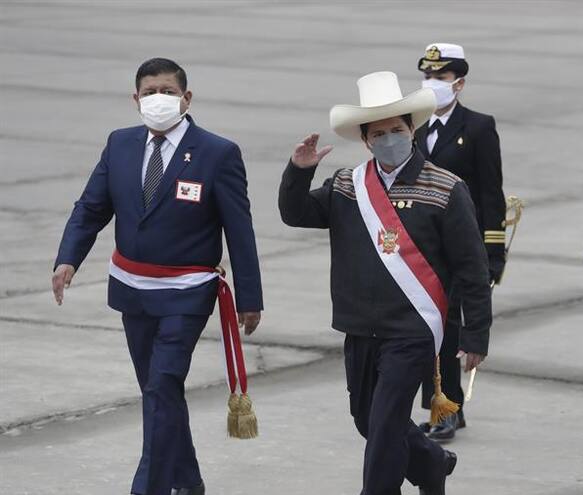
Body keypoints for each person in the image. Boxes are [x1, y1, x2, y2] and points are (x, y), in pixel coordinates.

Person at [52, 58, 263, 495]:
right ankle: (188, 481)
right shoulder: (120, 144)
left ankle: (149, 487)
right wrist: (68, 258)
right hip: (133, 292)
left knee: (162, 384)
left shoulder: (217, 153)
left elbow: (239, 229)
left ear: (186, 98)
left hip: (187, 294)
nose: (158, 99)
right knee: (158, 391)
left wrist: (250, 296)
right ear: (135, 99)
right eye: (150, 92)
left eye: (168, 91)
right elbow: (91, 207)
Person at [278, 71, 492, 495]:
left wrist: (476, 335)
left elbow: (472, 268)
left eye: (397, 129)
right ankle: (431, 464)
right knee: (366, 418)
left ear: (412, 130)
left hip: (412, 331)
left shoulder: (445, 188)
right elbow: (296, 212)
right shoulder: (346, 185)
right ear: (366, 140)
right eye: (380, 133)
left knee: (386, 422)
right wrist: (298, 172)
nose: (390, 138)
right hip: (359, 326)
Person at [413, 42, 506, 441]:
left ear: (460, 83)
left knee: (451, 327)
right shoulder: (413, 127)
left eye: (441, 77)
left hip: (462, 244)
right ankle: (442, 405)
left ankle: (447, 407)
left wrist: (493, 251)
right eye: (428, 76)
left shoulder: (478, 127)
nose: (433, 83)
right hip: (422, 246)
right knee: (427, 325)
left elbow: (491, 193)